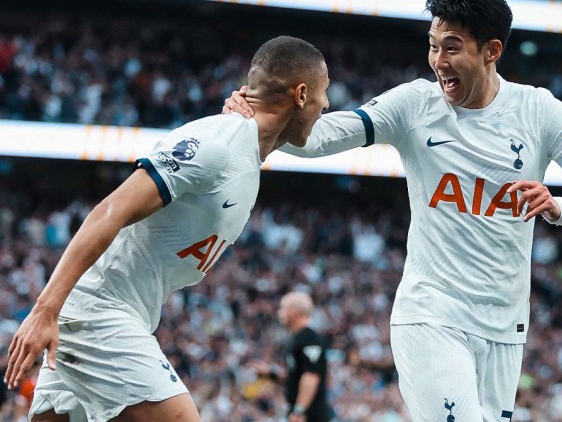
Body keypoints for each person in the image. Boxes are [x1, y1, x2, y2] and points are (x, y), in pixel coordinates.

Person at [222, 0, 562, 422]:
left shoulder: (538, 111)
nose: (438, 61)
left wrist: (561, 207)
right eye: (433, 46)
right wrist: (261, 115)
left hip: (504, 330)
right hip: (431, 315)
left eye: (452, 48)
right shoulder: (415, 103)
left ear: (491, 50)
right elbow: (321, 137)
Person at [4, 35, 330, 422]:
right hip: (100, 310)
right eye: (324, 95)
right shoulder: (217, 143)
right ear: (301, 94)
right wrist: (45, 308)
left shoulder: (247, 150)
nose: (326, 106)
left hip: (113, 313)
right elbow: (110, 210)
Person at [251, 292, 331, 422]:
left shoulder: (309, 339)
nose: (279, 313)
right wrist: (271, 374)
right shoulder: (296, 340)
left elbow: (311, 377)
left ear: (295, 312)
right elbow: (295, 378)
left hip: (311, 416)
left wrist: (299, 411)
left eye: (282, 308)